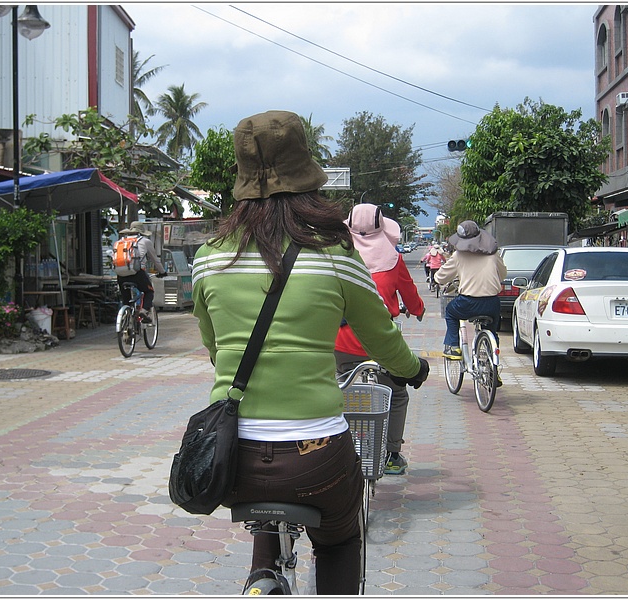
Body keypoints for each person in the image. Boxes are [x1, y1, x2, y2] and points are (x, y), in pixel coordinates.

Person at [191, 110, 430, 595]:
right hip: (316, 454)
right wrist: (414, 369)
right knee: (340, 540)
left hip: (231, 457)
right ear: (307, 174)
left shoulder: (209, 256)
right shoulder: (335, 254)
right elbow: (383, 339)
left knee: (263, 503)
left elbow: (215, 350)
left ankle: (261, 580)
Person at [335, 203, 426, 476]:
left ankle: (338, 450)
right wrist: (419, 309)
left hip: (342, 341)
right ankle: (392, 455)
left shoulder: (337, 257)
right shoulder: (393, 259)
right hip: (381, 343)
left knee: (339, 390)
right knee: (396, 394)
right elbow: (409, 293)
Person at [434, 220, 507, 380]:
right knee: (492, 333)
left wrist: (439, 279)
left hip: (468, 303)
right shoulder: (493, 253)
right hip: (492, 303)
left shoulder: (459, 255)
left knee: (451, 312)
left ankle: (454, 346)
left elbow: (441, 277)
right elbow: (503, 274)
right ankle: (492, 370)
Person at [116, 222, 167, 322]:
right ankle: (143, 311)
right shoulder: (144, 241)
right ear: (141, 232)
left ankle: (126, 324)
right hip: (137, 274)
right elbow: (155, 260)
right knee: (149, 291)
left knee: (126, 300)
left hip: (121, 275)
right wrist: (162, 272)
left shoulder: (121, 242)